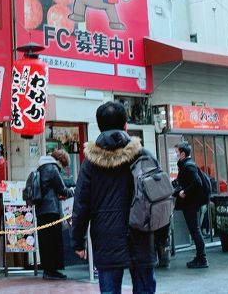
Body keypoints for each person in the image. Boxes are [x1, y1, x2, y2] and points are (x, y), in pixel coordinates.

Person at [71, 101, 156, 294]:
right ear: (126, 125)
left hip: (105, 237)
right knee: (145, 289)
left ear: (99, 127)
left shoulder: (90, 163)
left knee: (109, 291)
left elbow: (81, 203)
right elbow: (159, 195)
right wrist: (161, 236)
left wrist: (78, 240)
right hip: (141, 233)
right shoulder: (142, 155)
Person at [36, 148, 75, 280]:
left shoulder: (41, 168)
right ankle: (52, 270)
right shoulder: (52, 169)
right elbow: (62, 190)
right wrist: (74, 191)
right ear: (60, 160)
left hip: (41, 210)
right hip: (51, 210)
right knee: (53, 241)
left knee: (45, 241)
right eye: (63, 165)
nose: (63, 168)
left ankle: (47, 269)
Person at [173, 141, 208, 269]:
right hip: (190, 204)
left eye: (177, 152)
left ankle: (202, 258)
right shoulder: (186, 165)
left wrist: (184, 191)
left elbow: (197, 182)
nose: (175, 154)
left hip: (191, 204)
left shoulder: (188, 166)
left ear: (182, 153)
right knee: (194, 230)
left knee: (195, 230)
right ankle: (200, 257)